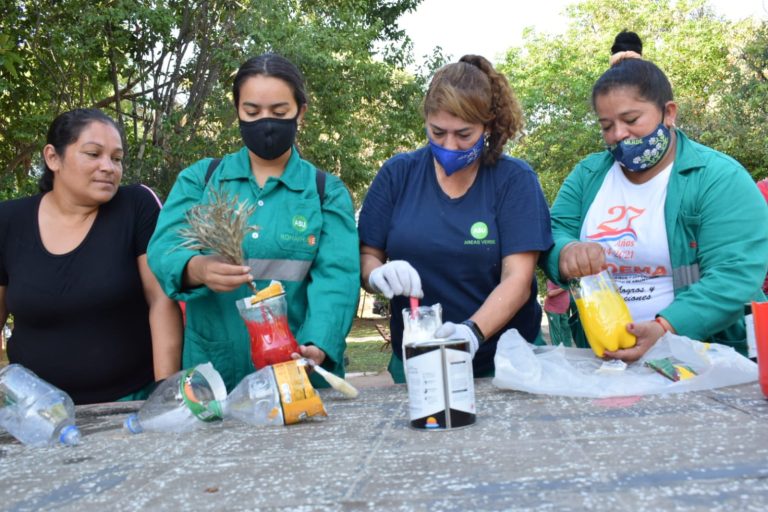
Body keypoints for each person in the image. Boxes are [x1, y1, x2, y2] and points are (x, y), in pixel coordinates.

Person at [541, 32, 768, 362]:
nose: (619, 134)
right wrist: (566, 251)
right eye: (606, 126)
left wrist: (666, 327)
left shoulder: (719, 177)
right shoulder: (587, 175)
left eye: (631, 120)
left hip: (705, 359)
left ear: (669, 113)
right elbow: (552, 232)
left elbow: (735, 272)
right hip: (605, 359)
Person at [147, 54, 360, 391]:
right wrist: (197, 268)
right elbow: (164, 248)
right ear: (237, 111)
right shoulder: (201, 180)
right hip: (214, 374)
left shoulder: (324, 192)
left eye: (279, 112)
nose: (266, 123)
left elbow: (338, 278)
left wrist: (318, 342)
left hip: (295, 372)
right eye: (252, 111)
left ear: (300, 112)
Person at [358, 55, 553, 383]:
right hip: (418, 360)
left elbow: (517, 280)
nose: (449, 145)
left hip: (504, 363)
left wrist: (471, 333)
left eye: (464, 134)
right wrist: (377, 275)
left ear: (488, 126)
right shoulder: (397, 175)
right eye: (438, 132)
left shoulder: (514, 180)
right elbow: (368, 255)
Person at [0, 108, 182, 404]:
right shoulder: (8, 221)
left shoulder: (136, 206)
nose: (108, 167)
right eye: (94, 154)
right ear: (53, 157)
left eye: (117, 158)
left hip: (129, 401)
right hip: (34, 409)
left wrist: (165, 395)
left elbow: (161, 301)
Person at [543, 279, 572, 346]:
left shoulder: (566, 280)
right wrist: (563, 288)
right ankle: (557, 349)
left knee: (566, 329)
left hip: (563, 310)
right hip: (552, 309)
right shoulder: (552, 279)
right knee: (556, 331)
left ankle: (568, 349)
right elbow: (550, 293)